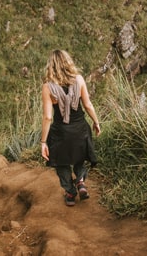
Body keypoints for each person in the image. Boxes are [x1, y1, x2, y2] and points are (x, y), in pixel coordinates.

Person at [40, 49, 101, 206]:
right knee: (80, 157)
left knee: (62, 163)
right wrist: (96, 121)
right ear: (68, 63)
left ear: (51, 66)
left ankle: (70, 192)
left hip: (61, 132)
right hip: (80, 128)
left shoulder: (47, 87)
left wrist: (43, 142)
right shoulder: (79, 80)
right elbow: (87, 104)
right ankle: (80, 181)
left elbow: (48, 117)